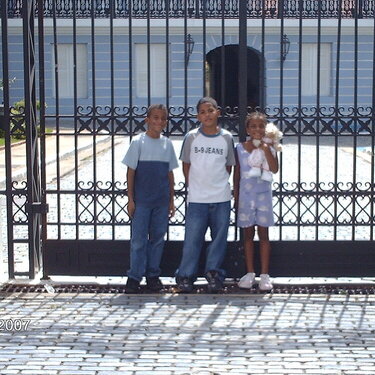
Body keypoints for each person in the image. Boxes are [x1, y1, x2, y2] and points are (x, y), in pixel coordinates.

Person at [175, 97, 236, 293]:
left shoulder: (226, 137)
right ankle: (185, 275)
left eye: (210, 110)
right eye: (202, 112)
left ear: (218, 112)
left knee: (219, 239)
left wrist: (218, 183)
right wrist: (193, 184)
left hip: (221, 197)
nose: (207, 115)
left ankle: (214, 274)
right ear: (197, 116)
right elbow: (186, 164)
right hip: (197, 198)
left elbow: (228, 166)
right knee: (192, 239)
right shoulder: (191, 137)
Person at [122, 104, 179, 293]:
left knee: (157, 239)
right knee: (138, 240)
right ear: (147, 120)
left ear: (166, 122)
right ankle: (134, 276)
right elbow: (131, 172)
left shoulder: (167, 144)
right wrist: (131, 199)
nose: (159, 121)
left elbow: (170, 174)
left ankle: (153, 275)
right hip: (142, 202)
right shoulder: (138, 142)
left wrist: (171, 200)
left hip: (161, 202)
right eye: (155, 117)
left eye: (163, 118)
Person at [233, 112, 280, 291]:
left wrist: (267, 150)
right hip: (246, 197)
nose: (257, 129)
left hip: (264, 197)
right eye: (253, 126)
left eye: (261, 126)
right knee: (247, 235)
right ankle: (250, 272)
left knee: (264, 234)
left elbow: (274, 169)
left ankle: (265, 274)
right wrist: (236, 197)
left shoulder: (271, 147)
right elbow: (237, 175)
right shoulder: (240, 148)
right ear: (247, 129)